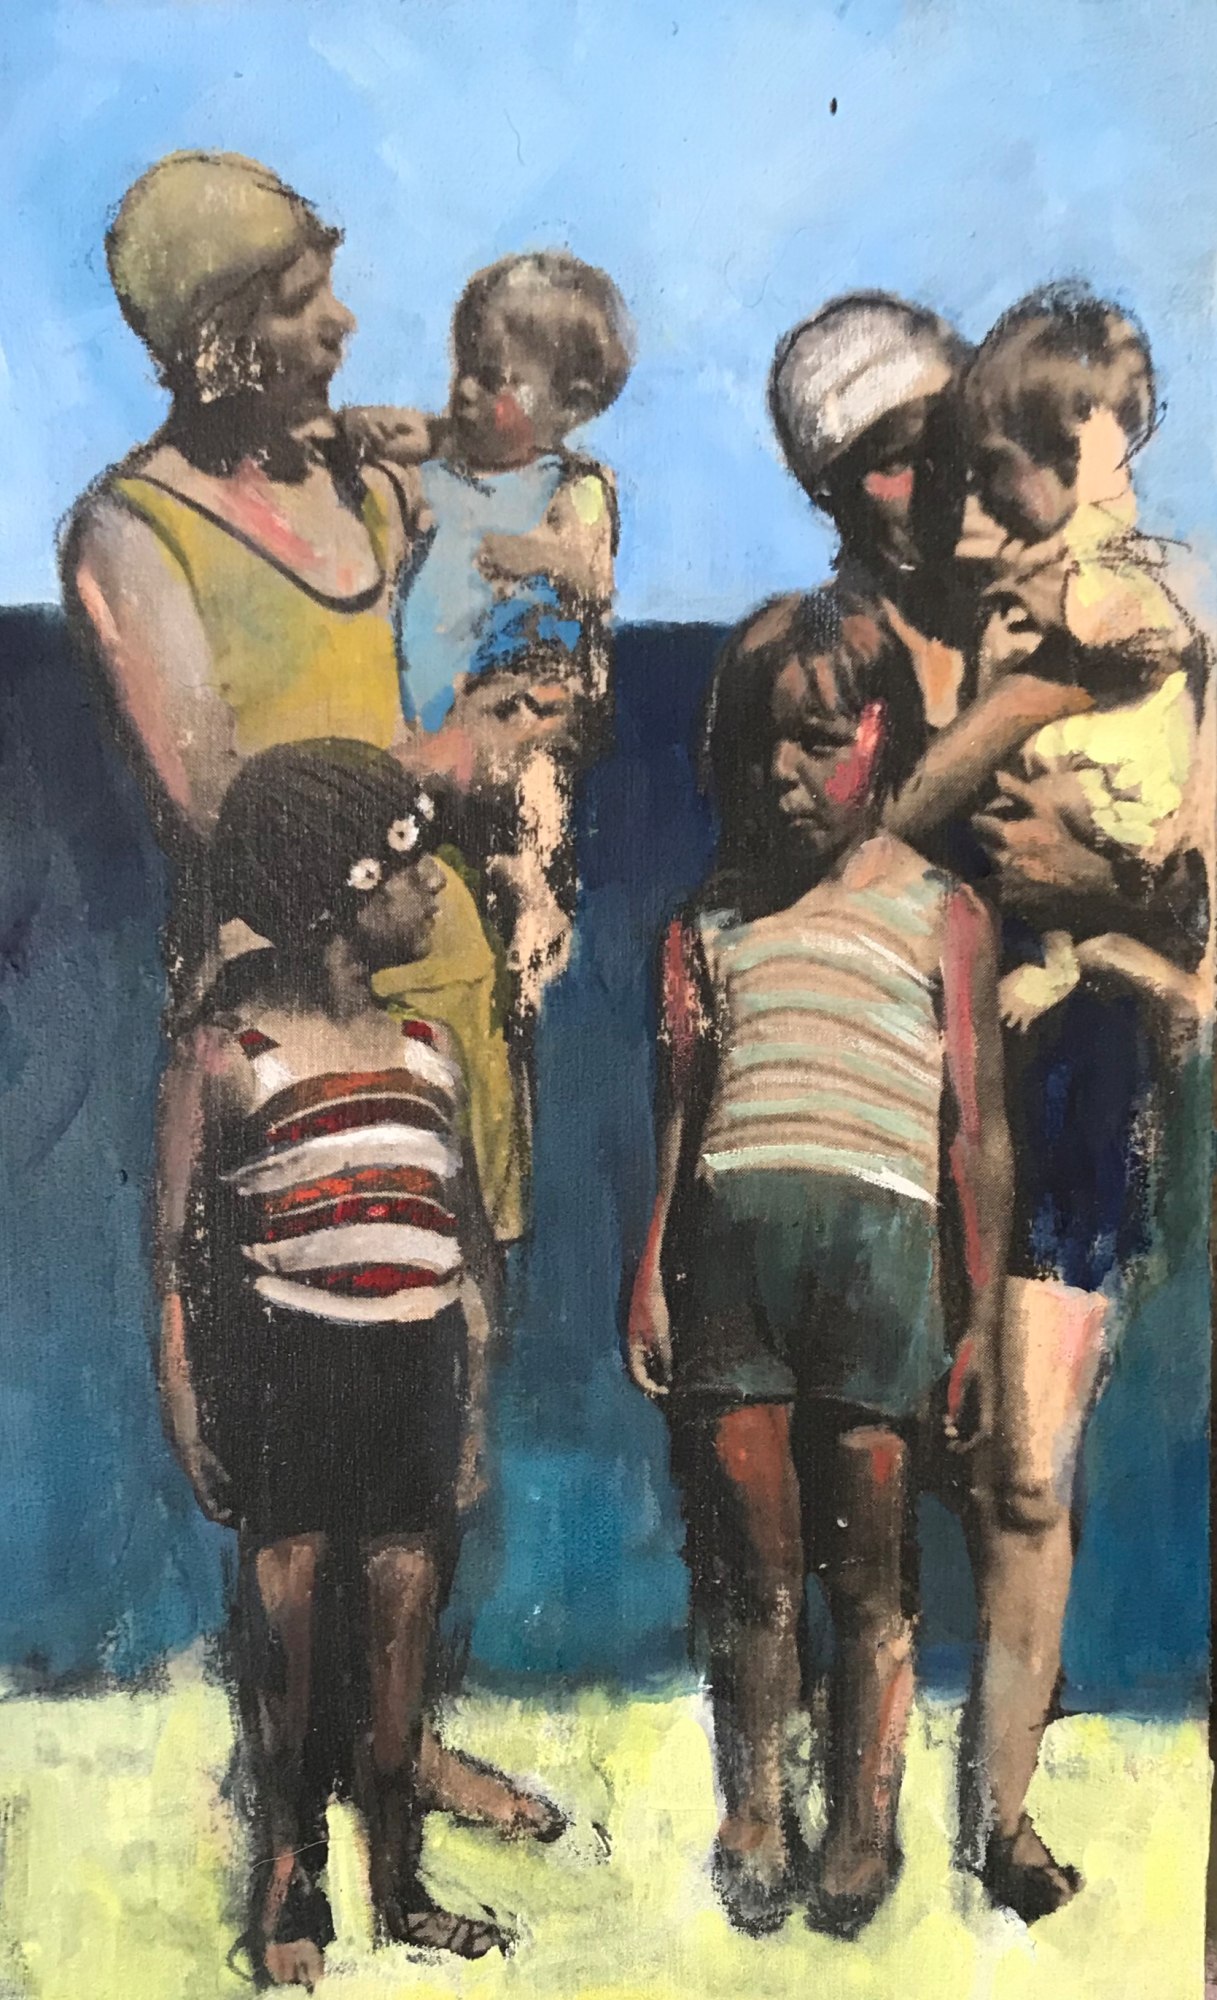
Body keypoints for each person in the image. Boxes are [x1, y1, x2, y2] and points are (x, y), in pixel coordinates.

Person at [62, 148, 559, 1849]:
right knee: (295, 1386)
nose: (344, 326)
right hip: (280, 1005)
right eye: (299, 303)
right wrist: (441, 760)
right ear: (216, 341)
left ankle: (399, 1742)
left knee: (435, 1347)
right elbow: (215, 799)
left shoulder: (356, 478)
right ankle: (311, 1769)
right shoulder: (133, 532)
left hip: (434, 976)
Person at [892, 283, 1213, 1920]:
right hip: (949, 1045)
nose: (1002, 492)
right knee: (937, 1451)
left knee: (1027, 1464)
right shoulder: (992, 610)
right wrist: (1030, 686)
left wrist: (1113, 914)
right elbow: (914, 811)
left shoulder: (1167, 599)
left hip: (1084, 1055)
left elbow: (1192, 895)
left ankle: (997, 1812)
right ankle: (911, 1801)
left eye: (1028, 453)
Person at [627, 596, 1012, 1941]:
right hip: (734, 1262)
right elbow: (680, 1116)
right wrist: (651, 1268)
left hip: (880, 1267)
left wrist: (978, 1318)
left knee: (869, 1565)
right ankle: (755, 1807)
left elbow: (973, 1132)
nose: (782, 774)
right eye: (756, 747)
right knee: (751, 1561)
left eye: (815, 740)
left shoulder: (941, 913)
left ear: (882, 735)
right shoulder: (707, 924)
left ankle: (861, 1816)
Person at [158, 740, 523, 1982]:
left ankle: (400, 1882)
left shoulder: (428, 1052)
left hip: (411, 1374)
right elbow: (178, 1258)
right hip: (290, 1373)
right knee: (289, 1651)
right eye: (411, 865)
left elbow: (467, 1258)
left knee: (399, 1652)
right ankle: (285, 1880)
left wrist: (469, 1412)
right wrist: (188, 1402)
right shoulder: (231, 1056)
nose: (435, 888)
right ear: (338, 889)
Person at [350, 250, 632, 1019]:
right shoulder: (442, 455)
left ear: (567, 404)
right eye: (462, 367)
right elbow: (397, 431)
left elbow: (589, 573)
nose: (464, 391)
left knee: (535, 788)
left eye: (491, 377)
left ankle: (534, 893)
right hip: (430, 715)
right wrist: (356, 428)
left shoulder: (575, 487)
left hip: (519, 701)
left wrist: (537, 554)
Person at [766, 291, 974, 729]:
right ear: (829, 494)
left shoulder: (1031, 616)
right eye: (896, 462)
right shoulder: (812, 664)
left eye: (948, 445)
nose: (938, 483)